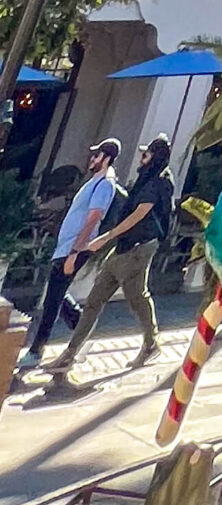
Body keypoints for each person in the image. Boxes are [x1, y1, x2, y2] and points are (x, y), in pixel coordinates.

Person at [46, 135, 173, 383]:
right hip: (126, 247)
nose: (142, 158)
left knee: (136, 297)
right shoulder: (145, 181)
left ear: (155, 157)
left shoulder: (157, 184)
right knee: (100, 299)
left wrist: (106, 237)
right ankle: (71, 354)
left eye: (146, 155)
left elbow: (139, 214)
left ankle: (150, 343)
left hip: (138, 248)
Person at [21, 140, 121, 360]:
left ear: (106, 158)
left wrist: (75, 252)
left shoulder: (105, 184)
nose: (91, 159)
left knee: (52, 299)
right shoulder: (94, 182)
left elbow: (94, 218)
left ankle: (37, 349)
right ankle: (81, 330)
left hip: (74, 248)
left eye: (96, 156)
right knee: (57, 292)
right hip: (66, 246)